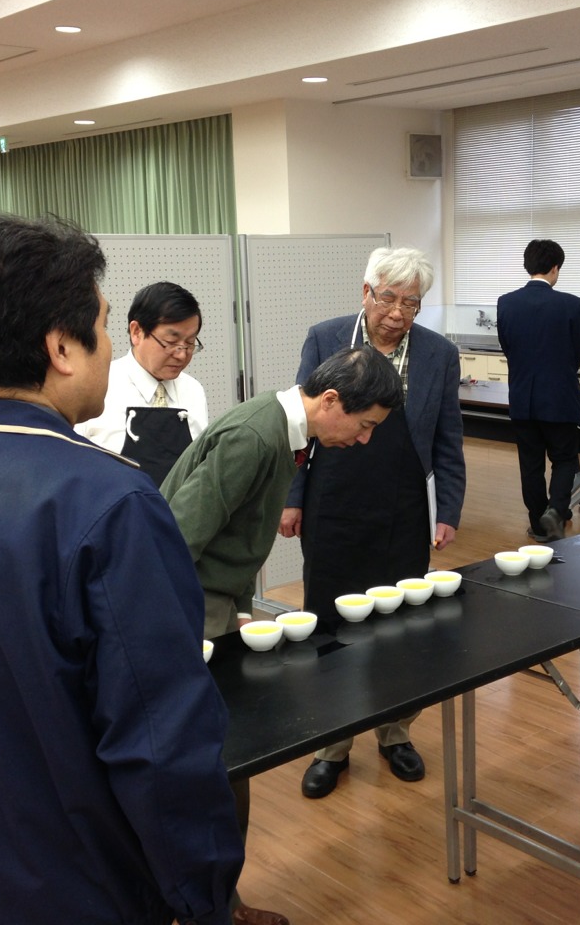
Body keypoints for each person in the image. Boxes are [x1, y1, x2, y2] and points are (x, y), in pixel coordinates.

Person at [0, 214, 243, 925]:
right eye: (102, 324)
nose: (107, 346)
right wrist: (203, 896)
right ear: (62, 347)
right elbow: (162, 746)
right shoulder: (112, 503)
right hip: (90, 889)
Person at [161, 345, 402, 925]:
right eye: (366, 425)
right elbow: (173, 541)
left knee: (226, 763)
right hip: (187, 607)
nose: (365, 440)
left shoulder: (283, 431)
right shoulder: (255, 438)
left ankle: (220, 903)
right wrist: (182, 634)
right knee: (216, 765)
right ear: (331, 401)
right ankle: (211, 908)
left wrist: (239, 609)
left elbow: (229, 534)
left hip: (213, 604)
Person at [279, 246, 467, 800]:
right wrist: (292, 498)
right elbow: (300, 425)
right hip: (332, 501)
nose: (398, 313)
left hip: (402, 506)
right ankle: (331, 745)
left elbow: (449, 436)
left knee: (398, 624)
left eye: (412, 303)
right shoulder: (326, 337)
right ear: (366, 292)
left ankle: (395, 732)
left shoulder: (438, 353)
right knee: (328, 623)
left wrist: (448, 510)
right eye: (388, 299)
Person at [496, 239, 580, 542]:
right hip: (560, 397)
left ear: (528, 266)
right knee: (564, 459)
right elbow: (577, 352)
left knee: (530, 465)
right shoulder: (572, 305)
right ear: (555, 268)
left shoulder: (506, 302)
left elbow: (508, 347)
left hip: (522, 399)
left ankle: (538, 525)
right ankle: (556, 511)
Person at [76, 280, 208, 486]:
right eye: (171, 342)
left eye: (190, 343)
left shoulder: (193, 390)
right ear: (136, 332)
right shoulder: (100, 386)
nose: (182, 354)